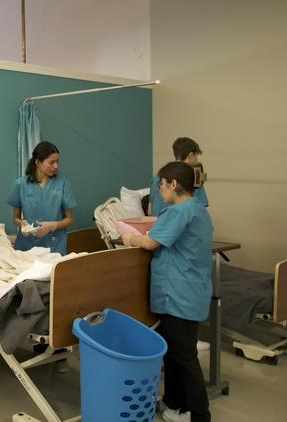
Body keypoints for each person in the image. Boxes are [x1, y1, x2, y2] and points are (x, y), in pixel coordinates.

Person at [122, 161, 212, 422]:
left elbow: (149, 242)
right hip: (188, 290)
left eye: (161, 185)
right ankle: (174, 402)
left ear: (173, 184)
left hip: (178, 293)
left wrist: (130, 238)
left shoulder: (177, 212)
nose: (159, 190)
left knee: (184, 356)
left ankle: (199, 415)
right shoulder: (198, 209)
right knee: (173, 352)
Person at [7, 141, 77, 255]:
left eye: (57, 162)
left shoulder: (63, 184)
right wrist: (22, 224)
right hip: (26, 247)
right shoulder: (21, 184)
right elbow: (15, 218)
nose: (56, 166)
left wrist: (52, 226)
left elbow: (69, 219)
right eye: (51, 162)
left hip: (54, 247)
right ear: (38, 162)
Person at [150, 137, 209, 216]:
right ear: (191, 155)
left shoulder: (156, 178)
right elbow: (201, 210)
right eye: (196, 157)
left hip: (158, 223)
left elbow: (150, 210)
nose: (196, 160)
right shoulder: (194, 178)